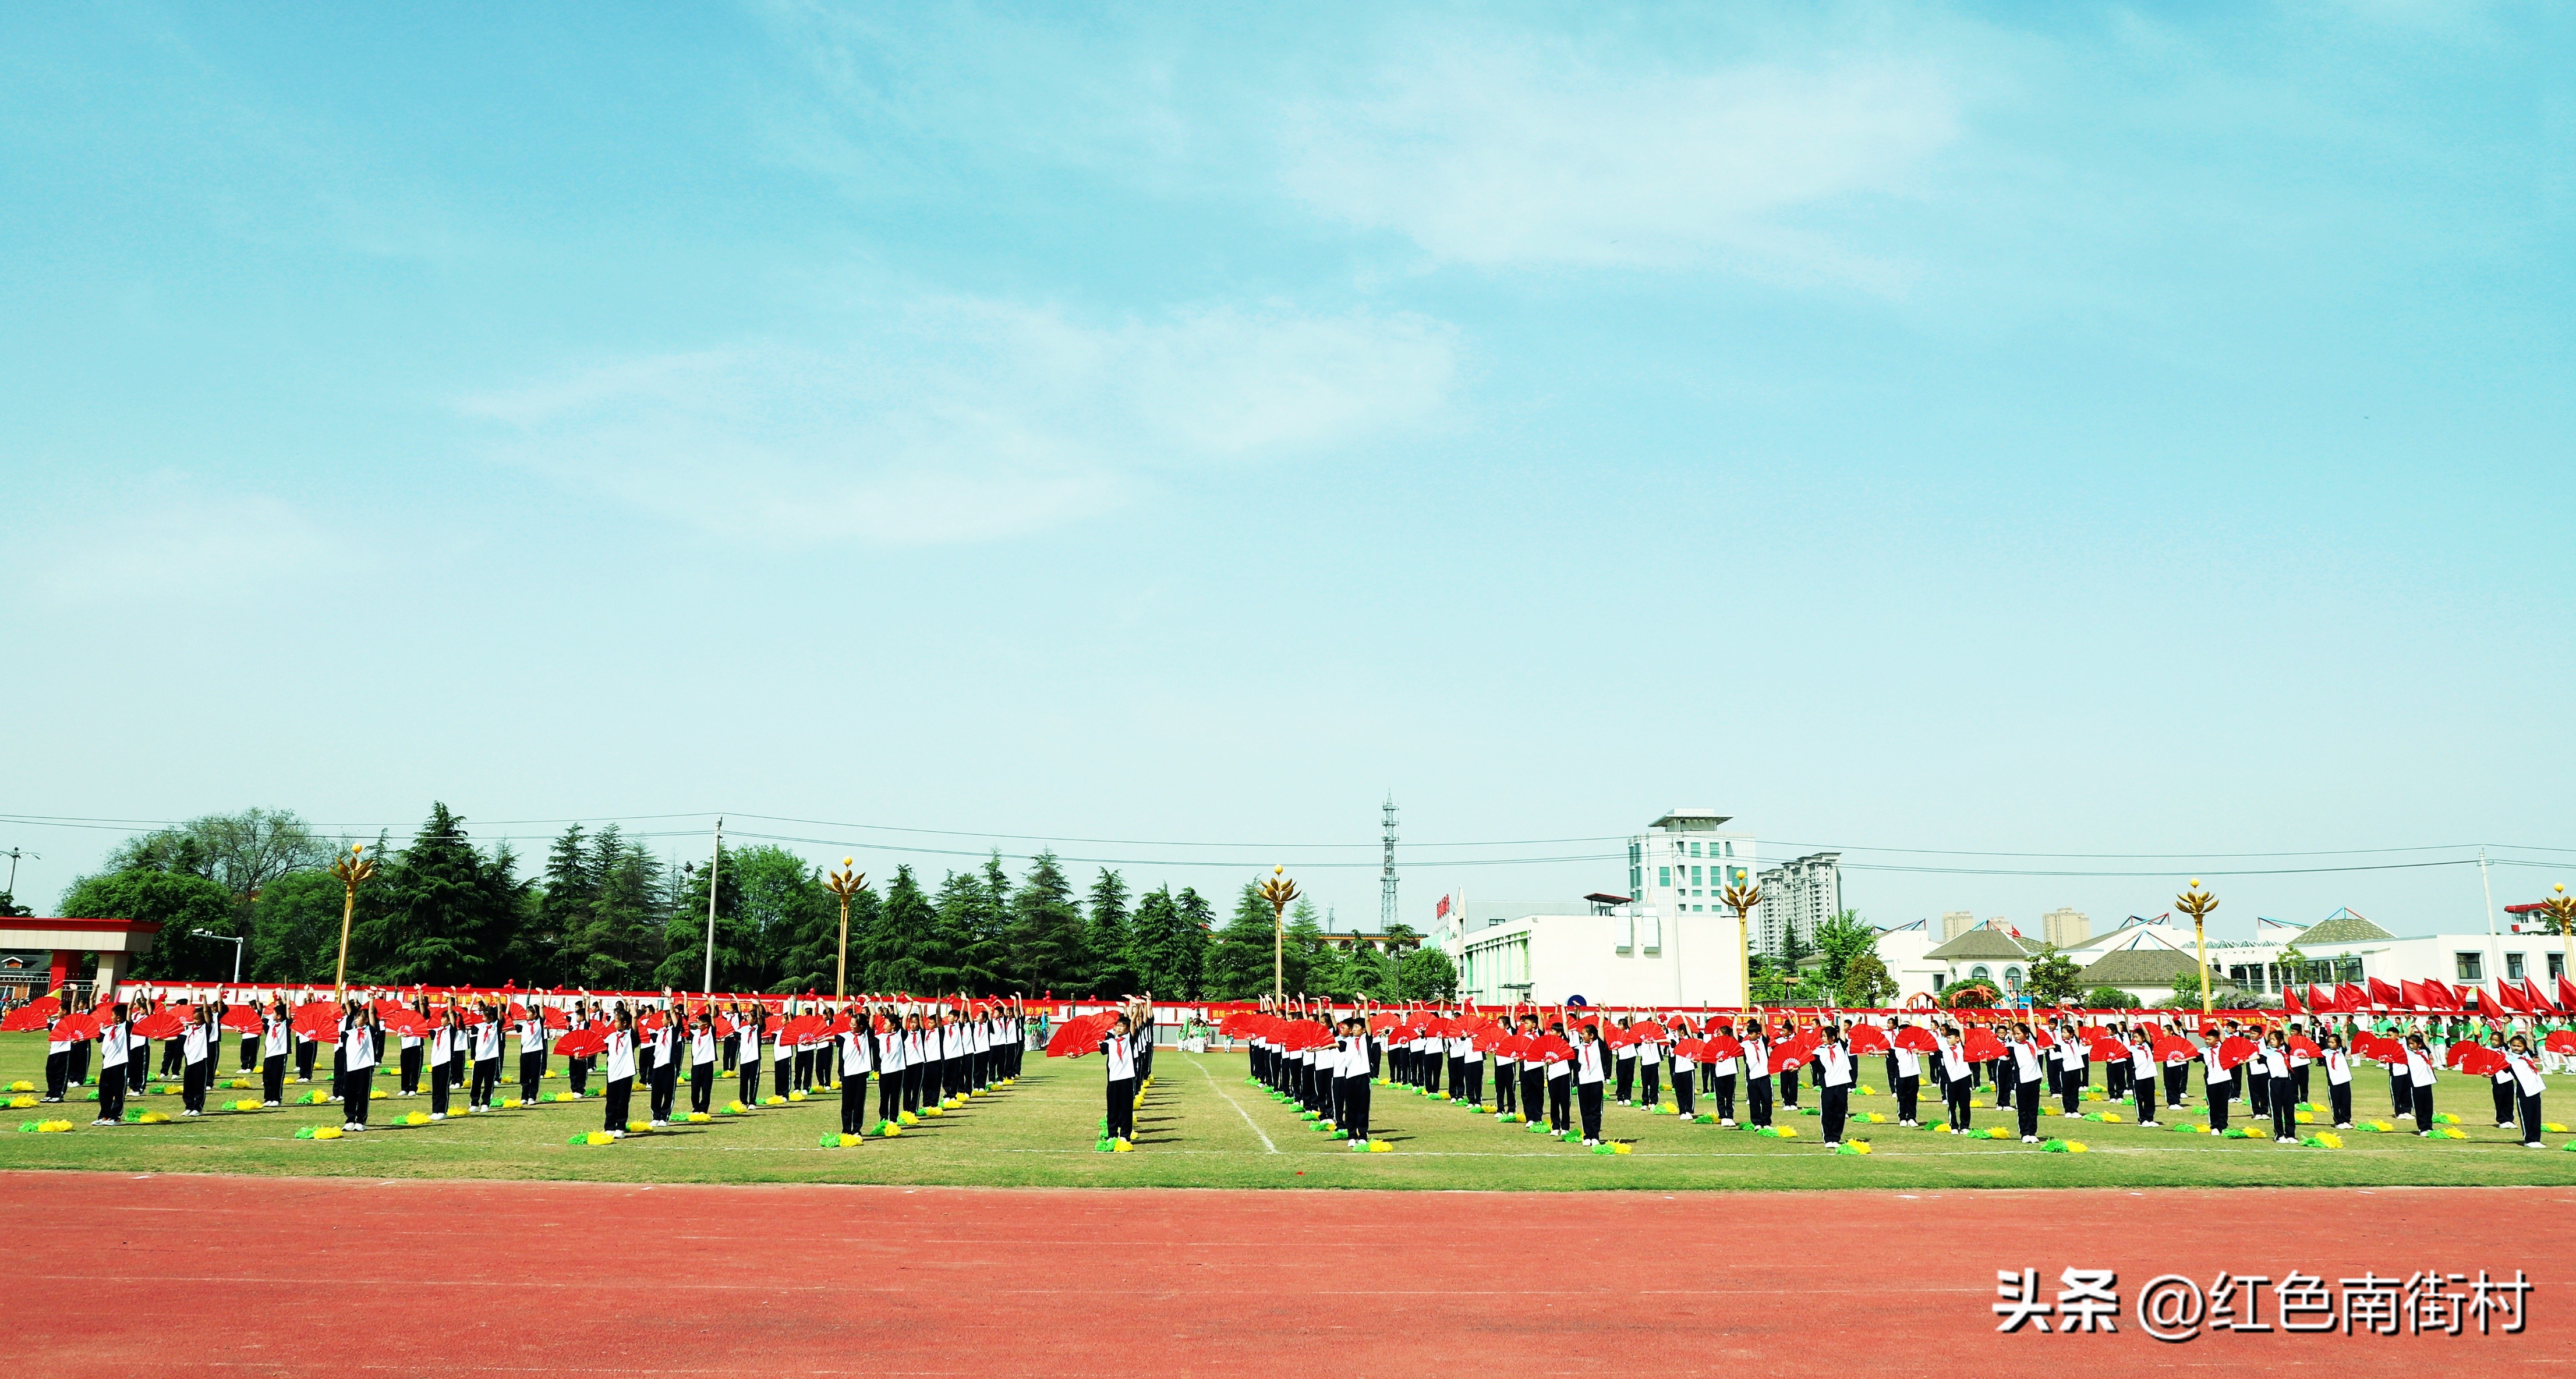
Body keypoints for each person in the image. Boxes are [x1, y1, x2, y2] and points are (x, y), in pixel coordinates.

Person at [339, 999, 380, 1132]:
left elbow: (372, 1012)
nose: (356, 1020)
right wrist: (345, 994)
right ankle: (350, 1119)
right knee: (349, 1093)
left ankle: (361, 1121)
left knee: (362, 1094)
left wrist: (372, 998)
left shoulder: (370, 1031)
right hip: (351, 1067)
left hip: (365, 1066)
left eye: (359, 1018)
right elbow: (350, 1013)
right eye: (356, 1018)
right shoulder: (350, 1033)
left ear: (366, 1020)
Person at [2505, 1034, 2546, 1147]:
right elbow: (2497, 1070)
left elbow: (2529, 1039)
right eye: (2514, 1046)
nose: (2516, 1048)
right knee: (2527, 1116)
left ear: (2524, 1047)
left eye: (2519, 1046)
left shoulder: (2527, 1054)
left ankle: (2536, 1139)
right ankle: (2529, 1140)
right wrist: (2488, 1074)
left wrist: (2528, 1024)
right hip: (2524, 1091)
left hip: (2536, 1089)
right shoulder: (2509, 1060)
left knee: (2536, 1115)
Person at [1102, 1013, 1138, 1146]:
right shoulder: (1110, 1042)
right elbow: (1094, 1048)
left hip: (1126, 1078)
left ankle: (1125, 1135)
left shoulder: (1129, 1039)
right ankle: (1112, 1134)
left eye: (1122, 1026)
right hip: (1113, 1079)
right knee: (1112, 1108)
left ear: (1128, 1029)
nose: (1119, 1028)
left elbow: (1133, 1022)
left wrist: (1137, 1006)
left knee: (1126, 1108)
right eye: (1117, 1026)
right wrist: (1076, 1055)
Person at [601, 1006, 637, 1136]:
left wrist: (633, 1013)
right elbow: (600, 1049)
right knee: (611, 1101)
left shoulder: (630, 1036)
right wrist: (582, 1056)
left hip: (626, 1073)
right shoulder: (611, 1037)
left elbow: (634, 1026)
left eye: (616, 1021)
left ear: (625, 1023)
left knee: (623, 1102)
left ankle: (620, 1127)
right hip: (612, 1073)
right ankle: (609, 1127)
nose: (614, 1023)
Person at [1337, 1016, 1372, 1147]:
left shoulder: (1366, 1039)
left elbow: (1368, 1020)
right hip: (1350, 1078)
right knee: (1351, 1108)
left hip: (1363, 1077)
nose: (1355, 1029)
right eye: (1354, 1027)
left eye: (1358, 1027)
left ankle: (1363, 1135)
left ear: (1363, 1030)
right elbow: (1334, 1044)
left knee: (1363, 1107)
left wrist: (1365, 1003)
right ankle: (1352, 1135)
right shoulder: (1348, 1041)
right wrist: (1316, 1048)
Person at [1817, 1023, 1855, 1148]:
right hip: (1828, 1086)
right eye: (1821, 1036)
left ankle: (1836, 1138)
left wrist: (1842, 1015)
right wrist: (1795, 1067)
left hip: (1842, 1085)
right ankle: (1828, 1138)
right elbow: (1806, 1059)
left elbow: (1843, 1033)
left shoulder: (1841, 1046)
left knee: (1840, 1112)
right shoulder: (1819, 1051)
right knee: (1827, 1112)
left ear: (1833, 1037)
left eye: (1824, 1036)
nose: (1822, 1038)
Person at [834, 1009, 869, 1135]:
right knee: (847, 1104)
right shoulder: (846, 1036)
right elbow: (830, 1038)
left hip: (861, 1074)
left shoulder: (866, 1036)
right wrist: (814, 1041)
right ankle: (846, 1130)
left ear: (861, 1027)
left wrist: (868, 1002)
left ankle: (857, 1129)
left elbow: (874, 1016)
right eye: (850, 1023)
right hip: (848, 1074)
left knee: (859, 1103)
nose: (851, 1026)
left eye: (854, 1024)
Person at [1574, 1020, 1608, 1146]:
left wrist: (1603, 1010)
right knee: (1585, 1110)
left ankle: (1595, 1136)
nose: (1582, 1036)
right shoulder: (1578, 1049)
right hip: (1583, 1082)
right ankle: (1587, 1136)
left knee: (1595, 1110)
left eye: (1584, 1034)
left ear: (1592, 1035)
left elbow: (1601, 1027)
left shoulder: (1598, 1046)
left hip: (1596, 1081)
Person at [2008, 1022, 2043, 1143]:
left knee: (2033, 1107)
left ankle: (2032, 1133)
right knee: (2023, 1109)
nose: (2016, 1036)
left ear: (2026, 1034)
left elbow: (2032, 1026)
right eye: (2015, 1034)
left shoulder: (2032, 1042)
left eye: (2019, 1033)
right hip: (2021, 1081)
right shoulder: (2012, 1046)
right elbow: (2000, 1054)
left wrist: (2029, 1009)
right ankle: (2024, 1133)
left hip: (2035, 1079)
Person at [180, 1002, 214, 1116]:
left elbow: (205, 1011)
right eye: (194, 1019)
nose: (195, 1021)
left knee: (199, 1085)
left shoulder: (206, 1028)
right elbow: (177, 1037)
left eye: (197, 1019)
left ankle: (198, 1107)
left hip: (200, 1060)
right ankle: (189, 1106)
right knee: (188, 1085)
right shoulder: (191, 1029)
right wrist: (162, 1039)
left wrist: (204, 997)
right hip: (189, 1060)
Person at [1938, 1024, 1973, 1134]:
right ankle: (1954, 1126)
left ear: (1957, 1039)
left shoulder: (1962, 1047)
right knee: (1952, 1105)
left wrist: (1953, 1019)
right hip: (1951, 1080)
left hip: (1964, 1079)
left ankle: (1965, 1126)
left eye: (1950, 1038)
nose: (1948, 1040)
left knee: (1965, 1105)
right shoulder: (1945, 1050)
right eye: (1947, 1038)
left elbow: (1962, 1031)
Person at [2262, 1032, 2296, 1143]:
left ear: (2281, 1041)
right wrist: (2245, 1060)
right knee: (2276, 1109)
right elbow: (2258, 1057)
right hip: (2274, 1082)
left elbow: (2286, 1033)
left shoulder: (2286, 1050)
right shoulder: (2267, 1052)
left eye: (2274, 1039)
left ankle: (2290, 1134)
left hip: (2287, 1082)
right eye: (2270, 1039)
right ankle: (2279, 1135)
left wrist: (2277, 1019)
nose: (2271, 1041)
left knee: (2289, 1109)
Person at [427, 1008, 459, 1121]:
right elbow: (422, 1032)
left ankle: (442, 1111)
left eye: (444, 1018)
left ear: (449, 1020)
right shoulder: (438, 1030)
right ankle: (435, 1110)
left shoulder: (451, 1030)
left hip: (445, 1061)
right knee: (436, 1087)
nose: (441, 1020)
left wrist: (449, 1000)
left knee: (443, 1086)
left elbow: (451, 1013)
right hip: (436, 1061)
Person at [1742, 1018, 1774, 1129]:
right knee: (1754, 1101)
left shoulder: (1763, 1042)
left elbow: (1764, 1027)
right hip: (1753, 1077)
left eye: (1752, 1034)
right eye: (1748, 1034)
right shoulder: (1745, 1045)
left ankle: (1766, 1122)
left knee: (1767, 1099)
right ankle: (1757, 1123)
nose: (1750, 1036)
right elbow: (1736, 1037)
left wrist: (1763, 1013)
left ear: (1759, 1034)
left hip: (1764, 1076)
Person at [2200, 1029, 2233, 1133]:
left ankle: (2223, 1125)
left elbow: (2222, 1033)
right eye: (2206, 1039)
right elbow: (2192, 1056)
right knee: (2213, 1105)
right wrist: (2181, 1059)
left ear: (2217, 1040)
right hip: (2211, 1081)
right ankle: (2215, 1125)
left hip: (2225, 1080)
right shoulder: (2203, 1051)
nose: (2207, 1041)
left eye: (2210, 1039)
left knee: (2223, 1104)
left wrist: (2215, 1021)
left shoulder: (2223, 1048)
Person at [2405, 1033, 2438, 1134]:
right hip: (2416, 1083)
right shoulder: (2408, 1054)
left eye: (2412, 1043)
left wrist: (2417, 1024)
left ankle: (2429, 1126)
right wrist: (2411, 1026)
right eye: (2409, 1044)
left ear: (2419, 1044)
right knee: (2419, 1107)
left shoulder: (2425, 1051)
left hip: (2427, 1082)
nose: (2410, 1045)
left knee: (2428, 1106)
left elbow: (2425, 1036)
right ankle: (2422, 1127)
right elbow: (2405, 1038)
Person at [2320, 1030, 2354, 1129]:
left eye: (2333, 1042)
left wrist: (2344, 1028)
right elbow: (2313, 1054)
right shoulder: (2325, 1053)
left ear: (2338, 1044)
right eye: (2329, 1042)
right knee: (2335, 1102)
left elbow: (2344, 1039)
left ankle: (2346, 1120)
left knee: (2346, 1101)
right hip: (2333, 1081)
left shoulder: (2341, 1051)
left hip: (2344, 1080)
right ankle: (2338, 1121)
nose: (2330, 1044)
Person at [517, 1003, 549, 1107]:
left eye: (529, 1012)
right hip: (525, 1052)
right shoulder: (524, 1024)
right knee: (524, 1075)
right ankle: (524, 1096)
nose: (526, 1014)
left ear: (535, 1015)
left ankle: (532, 1096)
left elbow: (542, 1010)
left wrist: (541, 995)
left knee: (534, 1074)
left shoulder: (539, 1022)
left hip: (536, 1051)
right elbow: (511, 1027)